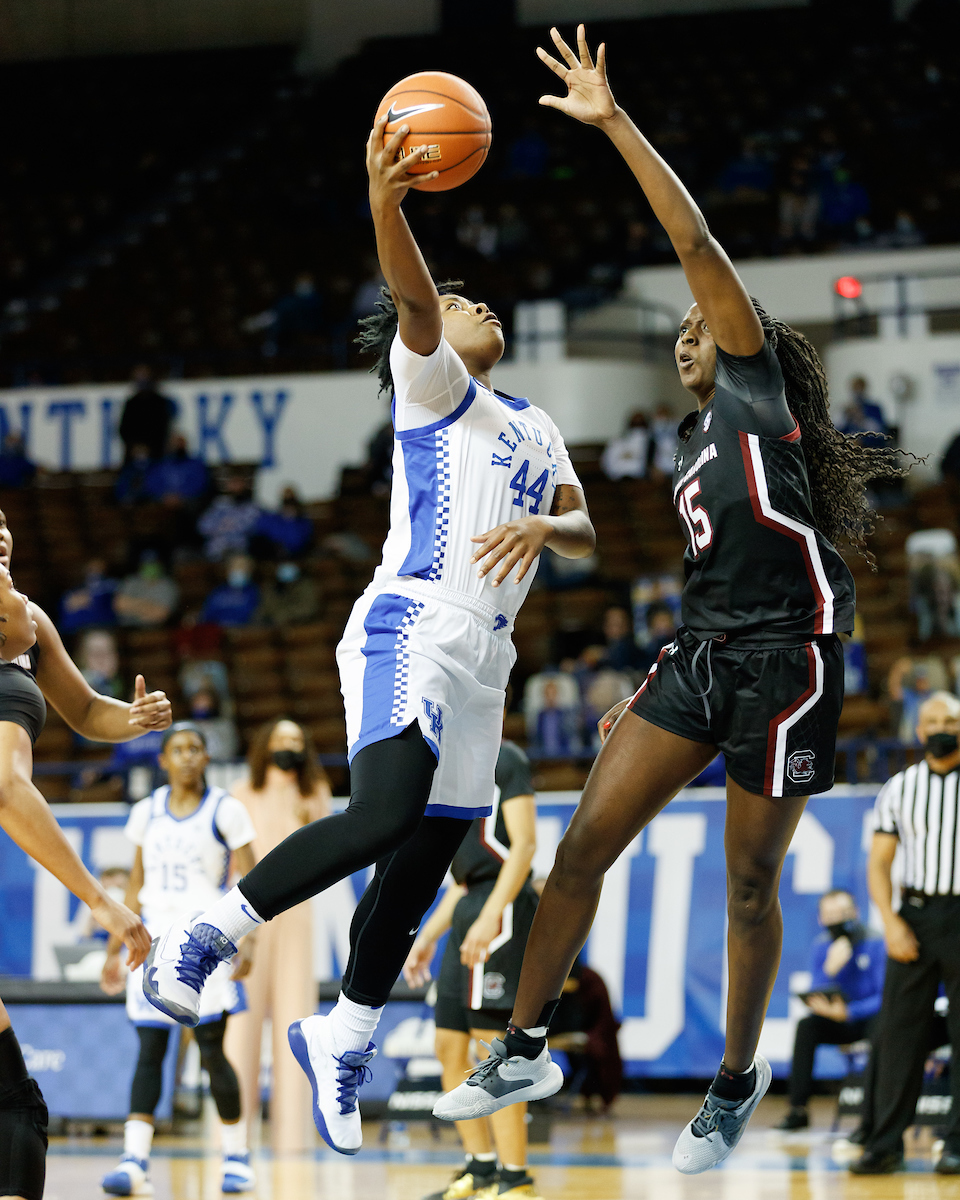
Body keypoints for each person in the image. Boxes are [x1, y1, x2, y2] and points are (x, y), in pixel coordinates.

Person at [433, 27, 908, 1176]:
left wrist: (612, 123)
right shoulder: (690, 441)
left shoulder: (755, 392)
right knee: (583, 845)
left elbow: (692, 240)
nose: (694, 331)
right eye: (688, 330)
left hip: (789, 663)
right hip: (700, 655)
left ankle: (734, 1084)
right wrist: (646, 696)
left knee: (751, 885)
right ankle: (528, 1044)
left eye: (707, 324)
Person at [140, 109, 595, 1164]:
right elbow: (416, 293)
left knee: (434, 846)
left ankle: (342, 1034)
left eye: (478, 300)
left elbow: (582, 528)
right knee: (387, 813)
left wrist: (546, 523)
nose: (469, 305)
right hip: (413, 623)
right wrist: (389, 204)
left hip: (488, 656)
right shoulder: (436, 385)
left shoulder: (535, 423)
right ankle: (209, 933)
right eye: (456, 299)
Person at [0, 550, 156, 1200]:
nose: (3, 540)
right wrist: (99, 900)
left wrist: (135, 719)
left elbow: (89, 710)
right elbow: (7, 789)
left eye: (5, 535)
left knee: (15, 1110)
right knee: (16, 1111)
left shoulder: (29, 625)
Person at [99, 724, 258, 1196]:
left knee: (212, 1051)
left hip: (202, 944)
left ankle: (237, 1156)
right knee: (150, 1052)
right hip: (151, 941)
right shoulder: (147, 811)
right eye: (178, 750)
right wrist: (114, 945)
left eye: (195, 749)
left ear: (207, 758)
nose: (187, 756)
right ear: (163, 760)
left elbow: (252, 876)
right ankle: (134, 1161)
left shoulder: (225, 808)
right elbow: (135, 881)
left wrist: (248, 940)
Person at [403, 737, 541, 1200]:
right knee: (448, 1045)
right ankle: (480, 1170)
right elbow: (464, 882)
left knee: (494, 1056)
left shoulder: (506, 756)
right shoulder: (444, 765)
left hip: (501, 909)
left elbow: (523, 848)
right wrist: (429, 935)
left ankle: (516, 1178)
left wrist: (491, 914)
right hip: (470, 905)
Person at [849, 692, 960, 1175]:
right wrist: (891, 922)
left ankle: (955, 1144)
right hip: (912, 915)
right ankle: (884, 1143)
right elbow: (878, 865)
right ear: (917, 730)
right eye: (932, 719)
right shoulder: (899, 787)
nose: (941, 727)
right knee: (897, 1034)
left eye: (951, 720)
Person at [224, 719, 331, 1156]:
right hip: (246, 914)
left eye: (296, 741)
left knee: (295, 1020)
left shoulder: (314, 794)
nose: (288, 748)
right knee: (241, 1025)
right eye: (280, 740)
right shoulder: (239, 793)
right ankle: (232, 1132)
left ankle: (294, 1138)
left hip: (297, 914)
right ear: (264, 745)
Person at [777, 889, 885, 1131]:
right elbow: (817, 993)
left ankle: (870, 1117)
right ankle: (798, 1110)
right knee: (806, 1027)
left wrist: (850, 1012)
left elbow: (885, 997)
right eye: (832, 915)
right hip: (837, 1020)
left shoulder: (875, 942)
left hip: (867, 1019)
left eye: (844, 913)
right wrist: (830, 970)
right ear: (821, 919)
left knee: (882, 1027)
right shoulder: (822, 946)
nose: (839, 921)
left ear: (856, 912)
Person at [118, 366, 177, 464]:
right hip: (133, 454)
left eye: (145, 377)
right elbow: (124, 429)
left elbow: (162, 428)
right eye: (139, 377)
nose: (142, 381)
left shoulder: (160, 402)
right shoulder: (131, 403)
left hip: (156, 454)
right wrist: (135, 446)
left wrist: (148, 448)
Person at [113, 551, 180, 628]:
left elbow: (161, 614)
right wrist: (149, 606)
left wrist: (132, 604)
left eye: (153, 563)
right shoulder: (131, 581)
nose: (150, 566)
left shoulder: (168, 585)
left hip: (156, 630)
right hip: (127, 629)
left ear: (160, 565)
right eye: (146, 564)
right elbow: (119, 605)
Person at [253, 560, 320, 628]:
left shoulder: (305, 586)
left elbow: (308, 608)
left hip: (299, 626)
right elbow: (264, 607)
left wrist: (282, 615)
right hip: (274, 626)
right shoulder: (272, 586)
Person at [58, 557, 117, 634]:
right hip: (77, 632)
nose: (95, 573)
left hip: (104, 629)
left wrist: (91, 598)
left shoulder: (111, 586)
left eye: (99, 569)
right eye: (91, 569)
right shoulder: (74, 592)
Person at [200, 555, 260, 628]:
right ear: (228, 570)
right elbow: (207, 615)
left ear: (250, 571)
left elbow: (257, 617)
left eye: (242, 567)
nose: (239, 570)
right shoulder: (217, 592)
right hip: (218, 632)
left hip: (244, 633)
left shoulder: (256, 593)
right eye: (235, 567)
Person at [600, 411, 650, 480]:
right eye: (635, 423)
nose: (637, 428)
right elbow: (608, 465)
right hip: (617, 481)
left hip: (641, 481)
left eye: (640, 423)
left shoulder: (650, 442)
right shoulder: (617, 442)